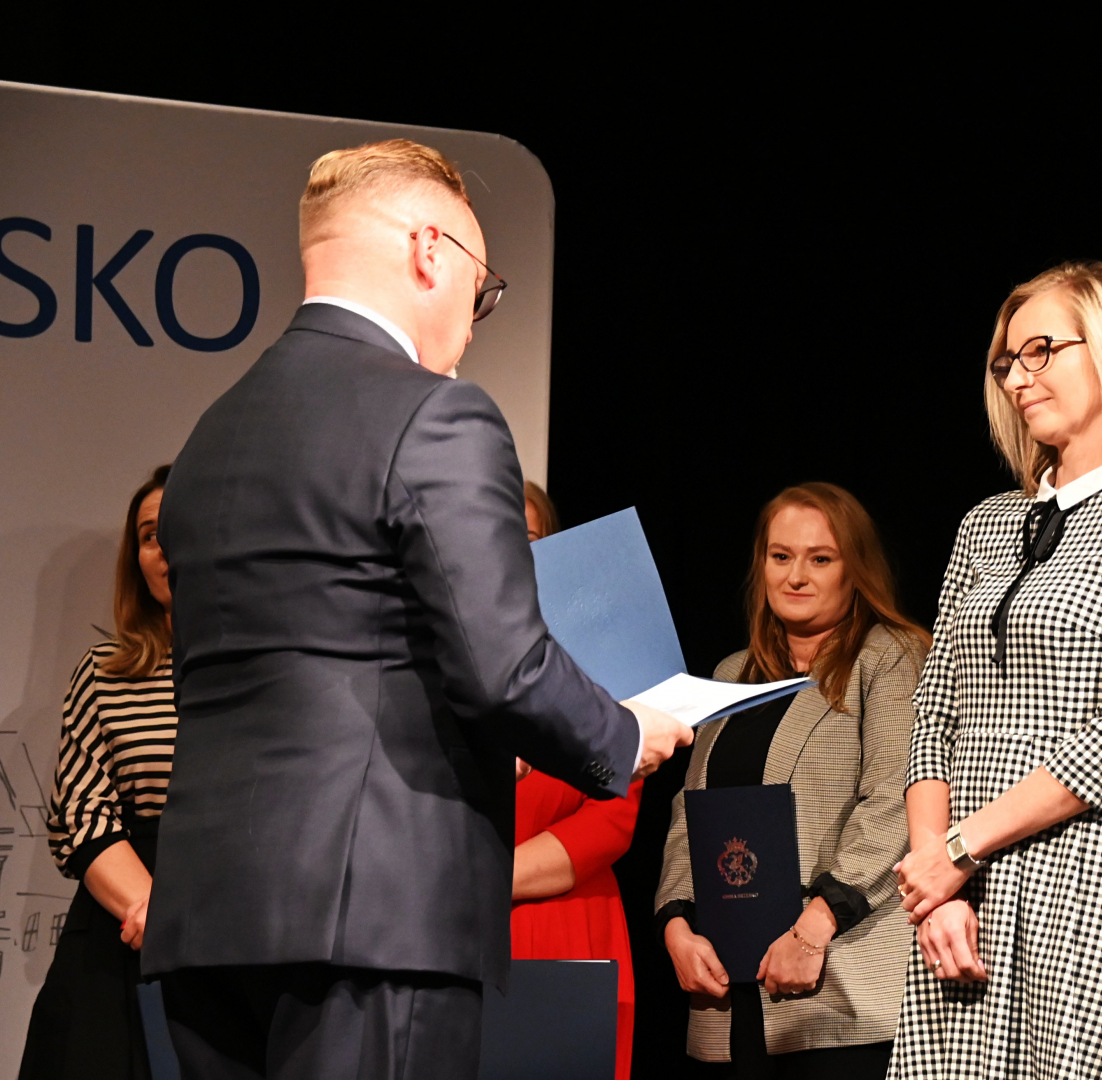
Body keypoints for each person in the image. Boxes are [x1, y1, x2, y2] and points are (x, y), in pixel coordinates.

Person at [143, 139, 690, 1080]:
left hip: (207, 919)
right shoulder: (439, 415)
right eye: (482, 291)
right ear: (431, 250)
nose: (473, 327)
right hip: (375, 916)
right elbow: (503, 667)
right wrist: (623, 731)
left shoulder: (209, 438)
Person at [889, 261, 1102, 1079]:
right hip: (959, 888)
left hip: (1079, 867)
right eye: (1007, 361)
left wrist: (961, 848)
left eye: (1041, 352)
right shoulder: (985, 523)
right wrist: (935, 884)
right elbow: (934, 716)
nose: (1017, 379)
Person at [656, 482, 927, 1079]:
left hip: (839, 978)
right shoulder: (731, 674)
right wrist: (676, 924)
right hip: (728, 988)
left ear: (855, 570)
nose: (796, 576)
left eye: (820, 559)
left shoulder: (890, 657)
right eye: (781, 556)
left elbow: (893, 805)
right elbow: (688, 815)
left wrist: (814, 928)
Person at [19, 466, 172, 1080]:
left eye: (178, 527)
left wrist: (191, 916)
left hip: (236, 921)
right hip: (121, 926)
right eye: (149, 535)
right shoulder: (106, 671)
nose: (164, 547)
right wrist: (154, 910)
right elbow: (81, 814)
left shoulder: (269, 669)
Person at [510, 489, 642, 1080]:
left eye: (525, 537)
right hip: (444, 934)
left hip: (566, 923)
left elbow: (611, 817)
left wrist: (477, 880)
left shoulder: (600, 659)